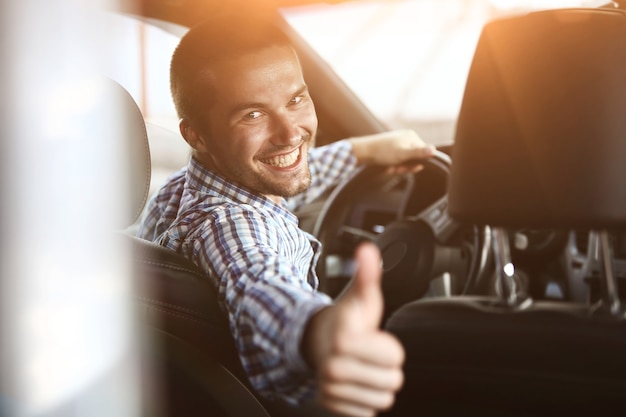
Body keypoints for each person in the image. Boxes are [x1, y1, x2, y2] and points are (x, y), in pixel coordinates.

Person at [137, 12, 435, 417]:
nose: (290, 132)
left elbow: (277, 184)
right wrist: (319, 332)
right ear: (196, 135)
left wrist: (363, 150)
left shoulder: (183, 189)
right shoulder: (226, 223)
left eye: (296, 100)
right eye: (252, 114)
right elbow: (256, 279)